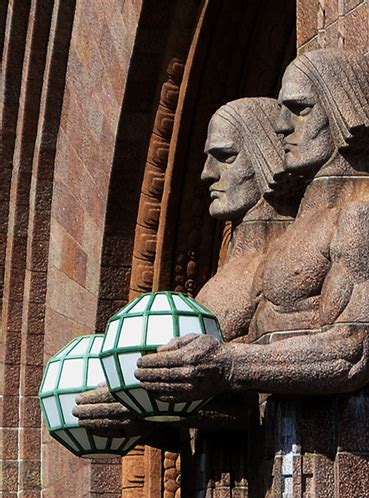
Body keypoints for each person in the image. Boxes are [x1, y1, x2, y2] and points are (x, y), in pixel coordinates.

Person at [134, 49, 369, 402]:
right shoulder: (301, 230)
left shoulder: (368, 217)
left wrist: (226, 363)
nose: (282, 125)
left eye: (299, 109)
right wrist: (143, 393)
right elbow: (258, 343)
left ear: (343, 108)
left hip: (344, 444)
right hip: (284, 446)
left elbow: (352, 351)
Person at [73, 97, 296, 433]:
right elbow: (218, 405)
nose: (207, 174)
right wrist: (140, 409)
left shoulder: (286, 261)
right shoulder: (224, 272)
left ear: (265, 153)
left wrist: (146, 409)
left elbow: (264, 397)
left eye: (225, 157)